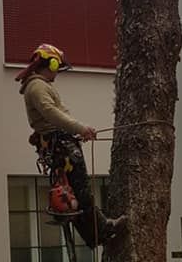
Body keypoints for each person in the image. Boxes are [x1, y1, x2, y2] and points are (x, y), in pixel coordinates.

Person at [16, 43, 127, 249]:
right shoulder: (37, 86)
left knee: (77, 190)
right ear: (51, 62)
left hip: (61, 141)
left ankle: (94, 233)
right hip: (60, 143)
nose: (57, 72)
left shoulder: (39, 85)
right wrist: (80, 128)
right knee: (81, 189)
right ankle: (101, 230)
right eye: (57, 66)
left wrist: (76, 131)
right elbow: (51, 113)